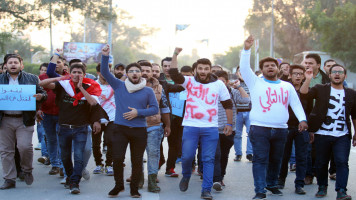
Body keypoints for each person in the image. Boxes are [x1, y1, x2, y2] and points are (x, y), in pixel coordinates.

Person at [240, 36, 308, 199]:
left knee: (276, 160)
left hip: (281, 130)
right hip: (259, 128)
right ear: (262, 69)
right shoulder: (255, 82)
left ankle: (271, 184)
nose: (270, 67)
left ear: (278, 69)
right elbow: (244, 68)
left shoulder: (287, 86)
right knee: (261, 159)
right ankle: (260, 190)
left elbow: (296, 104)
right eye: (266, 66)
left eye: (273, 65)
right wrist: (246, 50)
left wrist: (302, 119)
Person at [169, 48, 233, 200]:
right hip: (191, 126)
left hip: (210, 128)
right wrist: (175, 54)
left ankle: (206, 189)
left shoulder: (218, 84)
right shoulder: (189, 81)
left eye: (206, 68)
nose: (203, 71)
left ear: (210, 70)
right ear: (196, 70)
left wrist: (229, 123)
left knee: (208, 159)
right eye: (200, 68)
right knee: (187, 156)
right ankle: (186, 175)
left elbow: (228, 104)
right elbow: (173, 74)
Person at [100, 45, 159, 198]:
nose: (134, 73)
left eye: (137, 71)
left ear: (141, 74)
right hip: (120, 129)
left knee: (137, 160)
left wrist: (138, 112)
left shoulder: (148, 90)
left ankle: (134, 189)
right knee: (118, 158)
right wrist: (105, 55)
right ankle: (118, 186)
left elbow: (154, 109)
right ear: (126, 74)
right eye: (131, 71)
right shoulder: (119, 86)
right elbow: (105, 72)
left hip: (139, 131)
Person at [39, 63, 104, 194]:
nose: (76, 75)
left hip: (81, 128)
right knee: (65, 157)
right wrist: (57, 79)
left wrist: (81, 88)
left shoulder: (90, 86)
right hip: (64, 128)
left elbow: (93, 103)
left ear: (84, 75)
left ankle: (75, 182)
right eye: (74, 72)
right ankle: (70, 176)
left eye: (79, 72)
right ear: (70, 73)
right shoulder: (64, 85)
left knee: (79, 156)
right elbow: (42, 84)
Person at [300, 64, 356, 200]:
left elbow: (354, 115)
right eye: (334, 72)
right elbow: (304, 93)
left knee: (342, 162)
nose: (337, 74)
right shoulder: (320, 89)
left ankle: (341, 190)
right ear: (329, 75)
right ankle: (322, 186)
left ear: (345, 76)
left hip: (342, 134)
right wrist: (307, 79)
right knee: (321, 162)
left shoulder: (351, 93)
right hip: (322, 133)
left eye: (340, 72)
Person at [0, 54, 47, 189]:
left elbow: (44, 93)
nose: (13, 65)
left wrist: (40, 96)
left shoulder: (31, 78)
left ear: (21, 65)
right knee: (6, 151)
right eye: (10, 63)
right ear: (6, 65)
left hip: (24, 119)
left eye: (16, 62)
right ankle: (9, 179)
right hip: (5, 120)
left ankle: (27, 170)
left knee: (24, 147)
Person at [212, 70, 250, 191]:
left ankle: (221, 176)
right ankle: (216, 179)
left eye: (222, 81)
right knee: (215, 155)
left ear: (227, 82)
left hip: (229, 130)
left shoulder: (232, 93)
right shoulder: (210, 93)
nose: (219, 84)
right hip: (213, 130)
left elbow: (246, 100)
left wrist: (238, 87)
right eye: (216, 82)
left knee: (224, 154)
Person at [277, 64, 310, 195]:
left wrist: (310, 128)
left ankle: (299, 184)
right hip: (286, 127)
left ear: (304, 76)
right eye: (295, 73)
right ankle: (280, 180)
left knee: (302, 157)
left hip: (302, 128)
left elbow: (310, 111)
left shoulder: (308, 90)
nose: (298, 76)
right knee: (283, 156)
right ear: (290, 75)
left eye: (300, 74)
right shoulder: (284, 88)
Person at [139, 60, 171, 192]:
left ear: (152, 72)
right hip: (135, 126)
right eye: (142, 70)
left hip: (154, 125)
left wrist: (167, 125)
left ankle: (152, 182)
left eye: (148, 70)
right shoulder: (128, 86)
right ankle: (138, 179)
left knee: (153, 153)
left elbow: (164, 107)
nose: (145, 73)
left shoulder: (159, 87)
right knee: (137, 155)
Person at [92, 63, 115, 176]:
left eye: (107, 70)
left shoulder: (114, 84)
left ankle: (109, 164)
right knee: (96, 144)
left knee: (110, 141)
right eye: (102, 71)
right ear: (98, 72)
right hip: (97, 118)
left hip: (112, 118)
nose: (105, 73)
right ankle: (99, 164)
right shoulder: (93, 84)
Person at [233, 65, 253, 162]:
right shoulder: (234, 84)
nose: (242, 73)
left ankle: (249, 153)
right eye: (239, 71)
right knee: (237, 134)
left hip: (250, 112)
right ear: (236, 73)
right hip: (238, 112)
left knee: (250, 133)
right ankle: (238, 154)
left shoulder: (252, 83)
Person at [36, 63, 50, 165]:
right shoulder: (36, 82)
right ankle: (45, 155)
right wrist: (38, 109)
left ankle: (51, 157)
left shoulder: (51, 82)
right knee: (43, 134)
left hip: (52, 112)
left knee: (51, 136)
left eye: (46, 70)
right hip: (42, 112)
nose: (44, 72)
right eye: (42, 70)